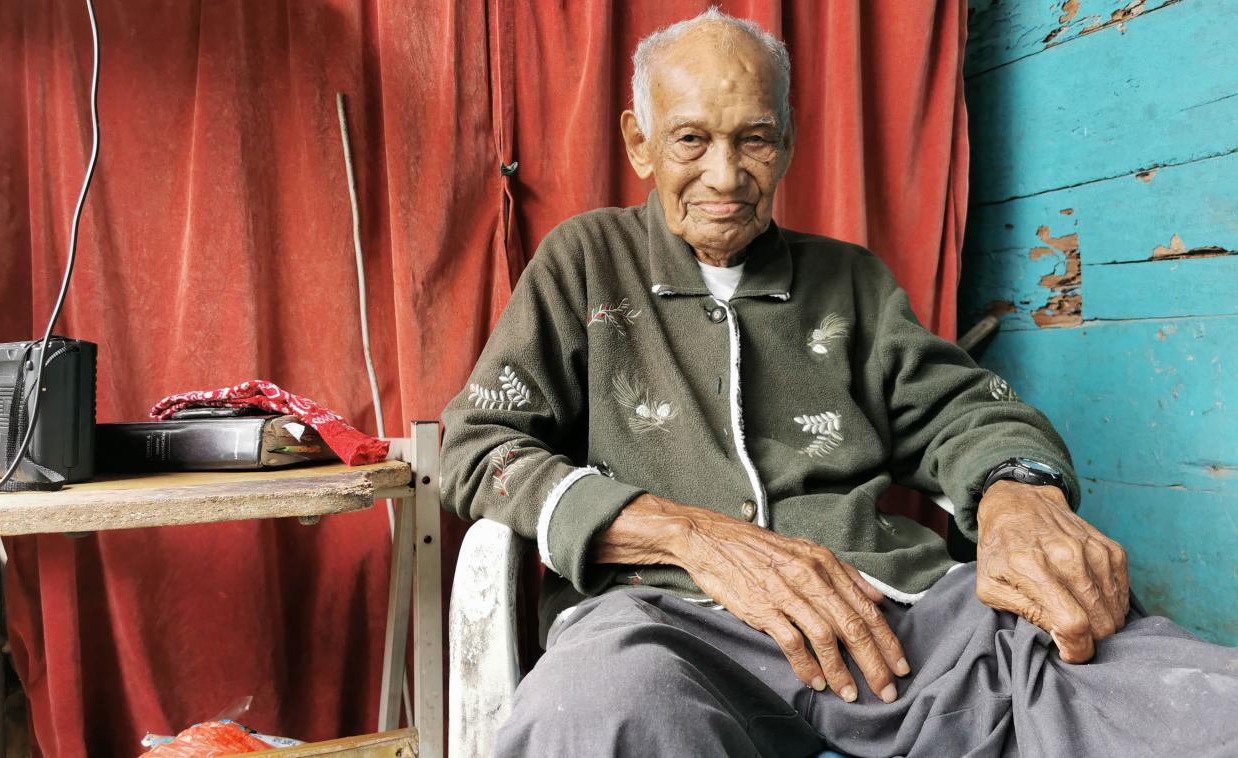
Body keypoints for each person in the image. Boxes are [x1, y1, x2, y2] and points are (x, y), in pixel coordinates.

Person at [440, 9, 1237, 757]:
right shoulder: (586, 261)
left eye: (754, 139)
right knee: (595, 714)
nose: (725, 175)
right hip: (662, 627)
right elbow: (478, 445)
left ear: (786, 141)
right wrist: (687, 534)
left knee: (1184, 701)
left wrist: (1017, 491)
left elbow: (961, 410)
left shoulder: (848, 279)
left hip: (891, 617)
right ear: (640, 143)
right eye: (690, 140)